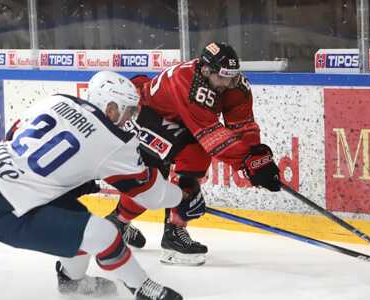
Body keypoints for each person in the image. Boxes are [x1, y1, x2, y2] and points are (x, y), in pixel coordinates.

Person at [0, 71, 184, 300]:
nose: (129, 120)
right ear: (111, 108)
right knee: (103, 233)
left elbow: (14, 135)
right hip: (11, 209)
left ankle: (70, 282)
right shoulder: (114, 142)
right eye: (128, 111)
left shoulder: (58, 100)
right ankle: (142, 286)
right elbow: (151, 195)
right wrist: (182, 197)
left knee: (81, 223)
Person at [105, 42, 281, 266]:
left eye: (233, 77)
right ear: (206, 71)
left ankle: (119, 224)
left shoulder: (235, 86)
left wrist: (258, 158)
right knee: (182, 162)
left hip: (177, 121)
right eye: (223, 77)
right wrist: (246, 162)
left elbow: (243, 126)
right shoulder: (189, 83)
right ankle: (167, 236)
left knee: (160, 177)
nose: (229, 84)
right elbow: (211, 136)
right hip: (144, 113)